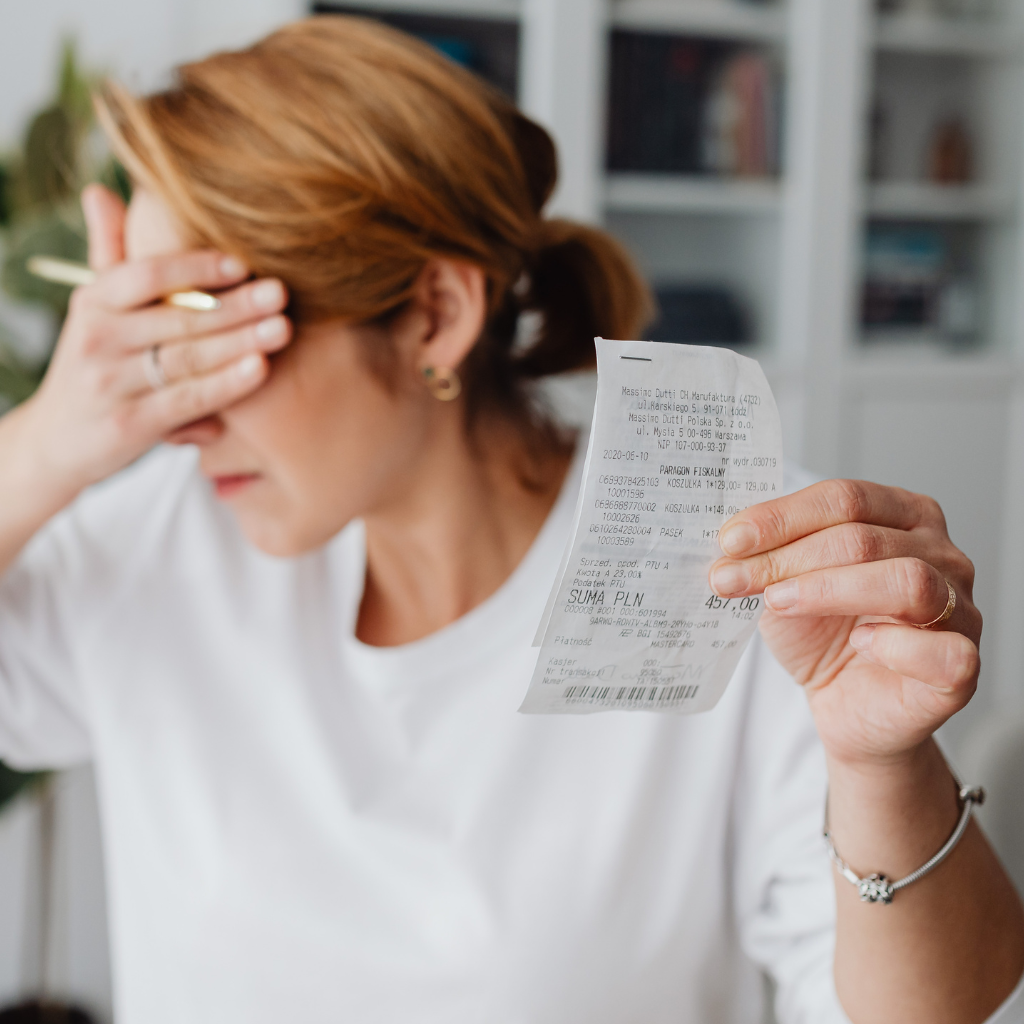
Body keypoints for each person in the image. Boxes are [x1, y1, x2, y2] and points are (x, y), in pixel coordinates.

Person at [0, 15, 1021, 1024]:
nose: (180, 417)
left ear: (436, 314)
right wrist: (47, 439)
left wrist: (884, 770)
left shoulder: (739, 569)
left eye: (211, 340)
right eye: (145, 345)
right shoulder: (161, 538)